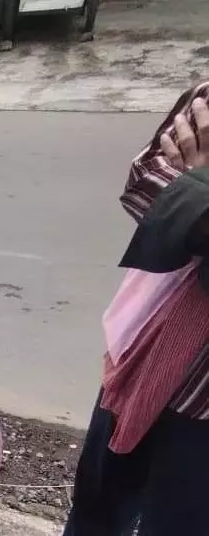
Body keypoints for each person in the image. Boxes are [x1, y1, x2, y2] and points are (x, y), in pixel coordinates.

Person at [63, 86, 209, 535]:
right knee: (96, 505)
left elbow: (178, 200)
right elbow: (144, 179)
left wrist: (198, 187)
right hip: (144, 356)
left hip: (201, 406)